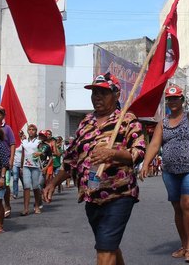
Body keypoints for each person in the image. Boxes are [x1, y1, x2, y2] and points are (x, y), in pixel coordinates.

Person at [43, 72, 145, 265]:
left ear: (116, 95)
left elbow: (139, 152)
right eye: (94, 92)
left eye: (103, 92)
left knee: (105, 250)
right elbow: (71, 160)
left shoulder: (127, 120)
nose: (97, 96)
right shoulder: (85, 123)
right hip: (92, 195)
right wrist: (52, 183)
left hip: (119, 195)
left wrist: (113, 154)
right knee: (109, 246)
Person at [140, 85, 189, 263]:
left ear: (182, 100)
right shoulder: (162, 123)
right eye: (169, 99)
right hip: (170, 172)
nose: (172, 101)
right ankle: (183, 244)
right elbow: (155, 145)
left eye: (176, 98)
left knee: (188, 203)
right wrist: (146, 163)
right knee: (177, 208)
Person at [0, 105, 15, 218]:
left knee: (4, 185)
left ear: (3, 116)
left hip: (4, 162)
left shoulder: (7, 128)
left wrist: (11, 159)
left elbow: (12, 144)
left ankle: (7, 206)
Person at [20, 124, 43, 215]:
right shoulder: (24, 142)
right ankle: (26, 209)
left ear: (36, 131)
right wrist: (21, 167)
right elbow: (23, 155)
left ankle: (37, 206)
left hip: (35, 166)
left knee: (36, 186)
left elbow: (42, 151)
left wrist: (40, 153)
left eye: (33, 129)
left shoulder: (38, 142)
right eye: (29, 129)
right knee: (26, 186)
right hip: (26, 166)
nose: (31, 131)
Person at [12, 130, 25, 199]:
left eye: (21, 133)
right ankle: (15, 193)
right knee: (15, 178)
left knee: (23, 178)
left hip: (22, 163)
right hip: (15, 163)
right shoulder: (14, 142)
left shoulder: (23, 142)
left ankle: (25, 190)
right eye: (18, 133)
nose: (19, 134)